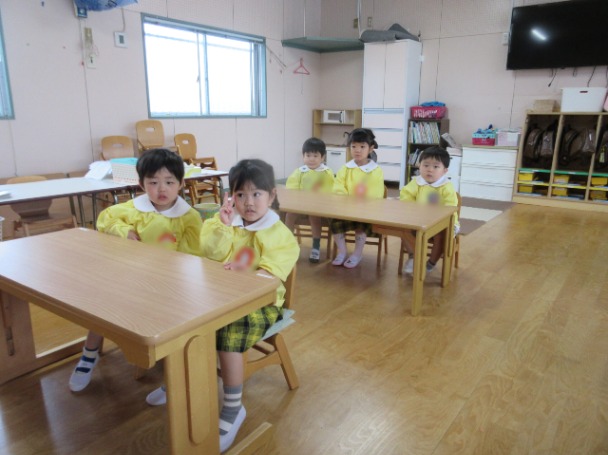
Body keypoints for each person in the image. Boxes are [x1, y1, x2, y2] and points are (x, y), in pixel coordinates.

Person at [146, 159, 299, 453]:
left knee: (227, 333)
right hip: (218, 298)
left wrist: (248, 274)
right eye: (241, 194)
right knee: (179, 320)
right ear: (231, 197)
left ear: (272, 195)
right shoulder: (222, 223)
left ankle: (233, 407)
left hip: (263, 305)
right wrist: (223, 227)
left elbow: (270, 279)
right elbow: (210, 254)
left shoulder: (280, 234)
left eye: (256, 194)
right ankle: (177, 382)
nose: (248, 202)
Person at [68, 148, 203, 393]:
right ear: (141, 184)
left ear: (181, 184)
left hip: (170, 285)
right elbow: (106, 219)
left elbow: (192, 256)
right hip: (132, 278)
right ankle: (89, 354)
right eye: (153, 182)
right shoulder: (133, 208)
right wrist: (125, 231)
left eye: (169, 182)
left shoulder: (189, 217)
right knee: (102, 304)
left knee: (177, 316)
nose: (161, 189)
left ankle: (174, 369)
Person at [399, 145, 459, 274]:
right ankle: (413, 256)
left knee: (441, 235)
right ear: (419, 166)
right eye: (425, 165)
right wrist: (412, 211)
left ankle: (430, 263)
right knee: (403, 229)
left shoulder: (446, 187)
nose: (430, 170)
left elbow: (450, 209)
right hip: (419, 220)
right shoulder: (416, 182)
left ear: (444, 171)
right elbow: (406, 197)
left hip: (444, 222)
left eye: (436, 167)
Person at [330, 128, 385, 269]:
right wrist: (345, 201)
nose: (357, 150)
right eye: (353, 146)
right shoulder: (345, 168)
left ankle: (357, 253)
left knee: (361, 225)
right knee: (335, 223)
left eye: (362, 147)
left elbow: (376, 192)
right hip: (346, 208)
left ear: (370, 148)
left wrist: (362, 205)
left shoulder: (375, 170)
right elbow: (338, 186)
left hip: (367, 210)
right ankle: (342, 251)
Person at [284, 137, 335, 263]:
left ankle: (316, 246)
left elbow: (330, 190)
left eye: (315, 156)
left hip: (317, 206)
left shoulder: (326, 172)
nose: (311, 159)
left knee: (314, 217)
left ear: (322, 157)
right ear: (303, 156)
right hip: (300, 205)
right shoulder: (299, 172)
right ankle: (287, 244)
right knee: (289, 214)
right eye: (308, 155)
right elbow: (291, 187)